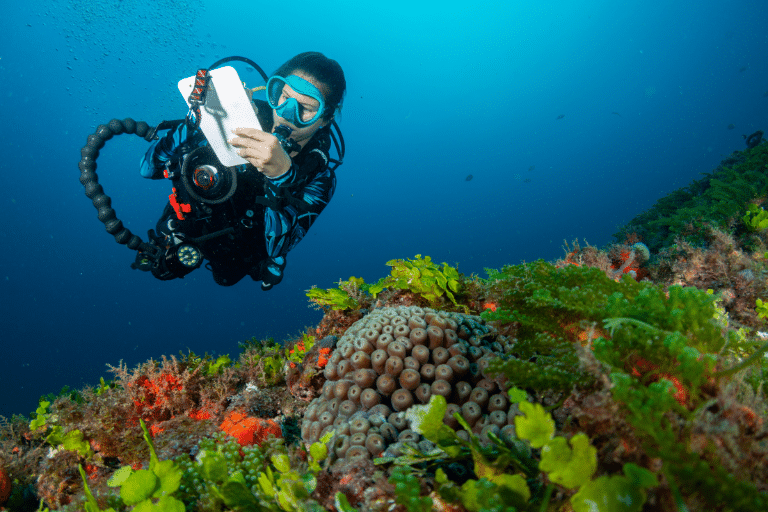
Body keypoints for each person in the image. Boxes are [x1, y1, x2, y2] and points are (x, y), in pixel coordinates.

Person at [137, 52, 346, 290]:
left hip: (239, 250)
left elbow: (279, 246)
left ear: (326, 118)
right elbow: (147, 169)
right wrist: (195, 124)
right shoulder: (236, 118)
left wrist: (280, 178)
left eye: (306, 108)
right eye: (284, 96)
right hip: (188, 221)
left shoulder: (319, 176)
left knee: (226, 276)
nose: (286, 113)